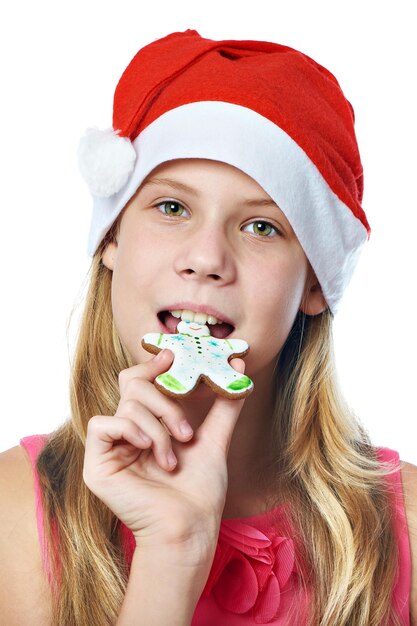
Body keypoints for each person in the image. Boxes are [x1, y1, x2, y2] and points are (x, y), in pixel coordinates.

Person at [0, 28, 416, 626]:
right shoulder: (19, 514)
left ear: (316, 284)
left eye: (261, 227)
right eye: (172, 207)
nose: (206, 259)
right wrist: (172, 554)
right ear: (112, 237)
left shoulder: (408, 528)